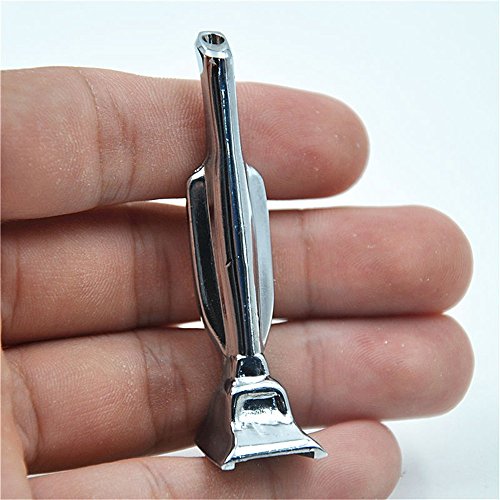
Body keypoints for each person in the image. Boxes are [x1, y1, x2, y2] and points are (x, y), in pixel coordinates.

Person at [1, 67, 474, 499]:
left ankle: (250, 380)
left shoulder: (240, 183)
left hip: (244, 335)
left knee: (244, 286)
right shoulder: (206, 186)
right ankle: (241, 384)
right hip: (229, 328)